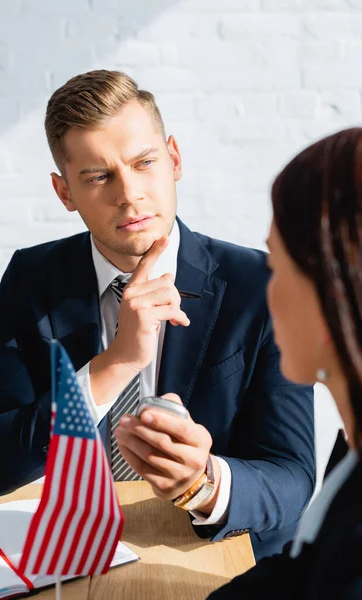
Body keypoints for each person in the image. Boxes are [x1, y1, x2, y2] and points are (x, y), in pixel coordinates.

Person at [0, 70, 314, 561]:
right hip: (68, 552)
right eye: (98, 176)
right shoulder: (32, 278)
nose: (129, 194)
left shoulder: (261, 284)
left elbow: (292, 475)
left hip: (217, 558)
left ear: (173, 159)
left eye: (144, 162)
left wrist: (204, 482)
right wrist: (117, 364)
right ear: (64, 193)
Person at [208, 127, 362, 598]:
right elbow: (299, 569)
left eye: (275, 267)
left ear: (329, 291)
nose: (264, 291)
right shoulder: (352, 447)